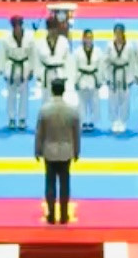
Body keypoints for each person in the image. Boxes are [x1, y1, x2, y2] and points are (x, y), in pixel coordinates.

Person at [35, 78, 80, 225]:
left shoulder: (44, 110)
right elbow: (76, 134)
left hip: (49, 151)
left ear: (52, 90)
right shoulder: (72, 110)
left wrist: (37, 150)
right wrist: (76, 151)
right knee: (64, 184)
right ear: (64, 90)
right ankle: (64, 215)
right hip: (66, 151)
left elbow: (40, 133)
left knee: (50, 184)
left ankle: (51, 214)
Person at [104, 24, 135, 133]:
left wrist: (131, 78)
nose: (118, 35)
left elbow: (132, 62)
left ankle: (122, 120)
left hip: (125, 74)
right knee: (113, 99)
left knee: (124, 99)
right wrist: (106, 77)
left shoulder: (129, 46)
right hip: (113, 73)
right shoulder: (109, 46)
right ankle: (114, 121)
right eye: (116, 32)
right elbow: (105, 62)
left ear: (123, 33)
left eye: (120, 32)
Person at [73, 28, 103, 131]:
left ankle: (92, 121)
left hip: (93, 78)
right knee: (82, 102)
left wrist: (100, 80)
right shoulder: (77, 52)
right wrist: (75, 81)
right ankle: (83, 121)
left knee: (94, 101)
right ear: (83, 38)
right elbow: (74, 67)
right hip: (82, 78)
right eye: (87, 37)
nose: (89, 39)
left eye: (90, 37)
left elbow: (101, 66)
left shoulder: (98, 51)